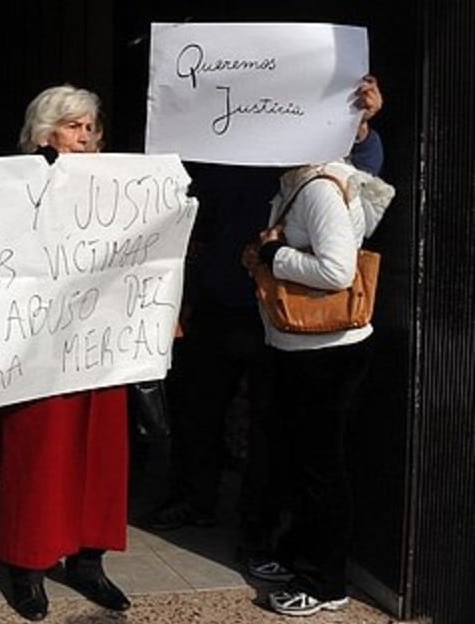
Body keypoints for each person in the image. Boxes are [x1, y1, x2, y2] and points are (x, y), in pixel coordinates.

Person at [148, 77, 386, 562]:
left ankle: (258, 530)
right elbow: (187, 210)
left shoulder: (312, 172)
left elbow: (362, 181)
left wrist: (361, 127)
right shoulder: (219, 148)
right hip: (219, 296)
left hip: (283, 311)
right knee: (197, 407)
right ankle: (193, 500)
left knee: (269, 426)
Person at [0, 84, 132, 623]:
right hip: (38, 345)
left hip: (102, 344)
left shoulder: (123, 185)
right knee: (39, 448)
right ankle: (27, 565)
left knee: (100, 451)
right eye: (74, 126)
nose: (86, 136)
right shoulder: (15, 183)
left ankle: (87, 559)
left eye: (91, 127)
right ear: (44, 132)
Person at [241, 152, 394, 617]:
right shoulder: (298, 182)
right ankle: (298, 559)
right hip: (303, 347)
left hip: (327, 351)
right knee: (301, 463)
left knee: (321, 470)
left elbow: (337, 271)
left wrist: (273, 255)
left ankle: (325, 583)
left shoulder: (321, 187)